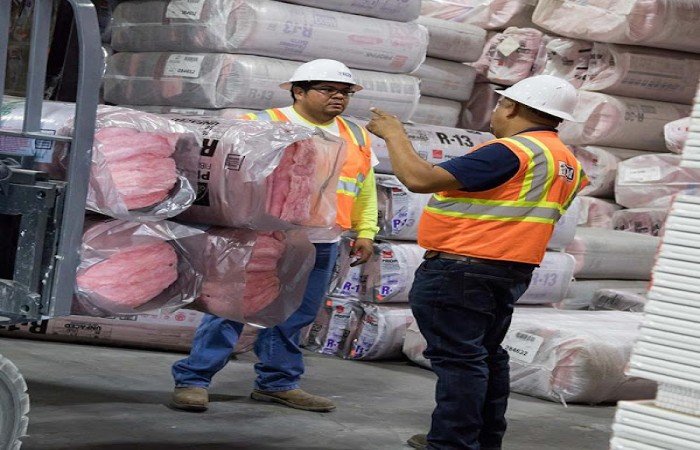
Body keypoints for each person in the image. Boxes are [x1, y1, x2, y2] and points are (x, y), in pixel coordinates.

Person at [366, 75, 588, 450]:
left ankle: (452, 443)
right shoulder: (566, 161)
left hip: (461, 268)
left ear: (511, 107)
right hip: (508, 270)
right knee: (485, 356)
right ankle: (481, 440)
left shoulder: (511, 151)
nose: (496, 112)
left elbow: (419, 179)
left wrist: (394, 134)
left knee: (460, 361)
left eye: (500, 104)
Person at [170, 59, 379, 413]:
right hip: (264, 238)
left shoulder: (356, 134)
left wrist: (367, 231)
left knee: (297, 313)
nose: (338, 97)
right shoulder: (263, 124)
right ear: (298, 92)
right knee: (229, 307)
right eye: (328, 90)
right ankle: (194, 379)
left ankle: (277, 383)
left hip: (322, 241)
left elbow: (364, 187)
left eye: (345, 92)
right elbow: (227, 179)